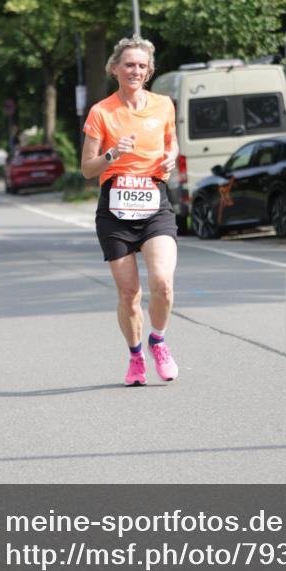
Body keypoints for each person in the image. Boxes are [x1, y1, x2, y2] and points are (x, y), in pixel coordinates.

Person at [81, 35, 180, 387]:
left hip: (154, 203)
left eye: (141, 65)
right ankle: (136, 355)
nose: (135, 70)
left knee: (163, 283)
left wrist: (171, 156)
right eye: (129, 65)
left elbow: (172, 141)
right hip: (115, 208)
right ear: (115, 69)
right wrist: (112, 155)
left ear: (149, 71)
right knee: (129, 295)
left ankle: (158, 340)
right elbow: (87, 169)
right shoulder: (101, 112)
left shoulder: (164, 105)